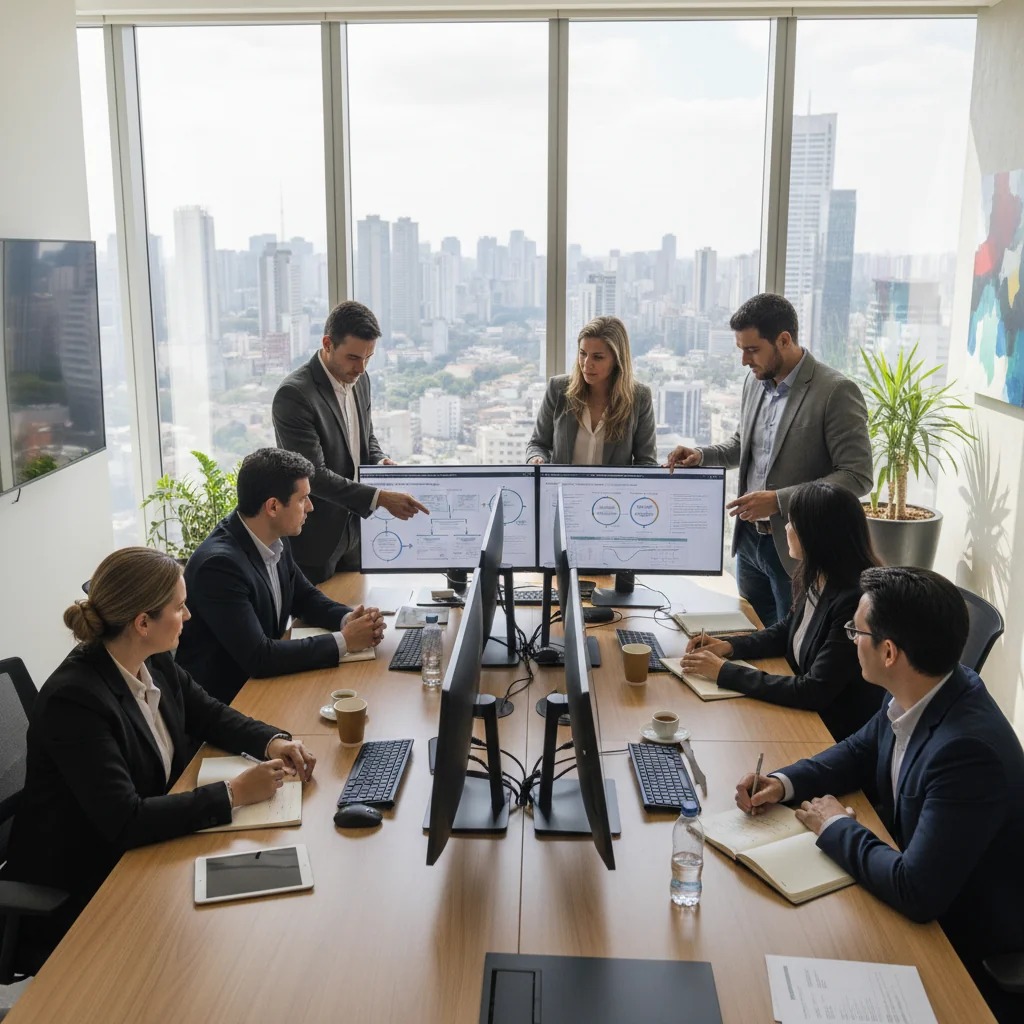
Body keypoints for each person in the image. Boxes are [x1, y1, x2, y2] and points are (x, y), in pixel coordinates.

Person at [2, 547, 317, 973]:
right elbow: (125, 820)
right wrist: (233, 793)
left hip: (155, 850)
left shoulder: (154, 661)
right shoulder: (74, 701)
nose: (188, 616)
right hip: (89, 885)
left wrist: (273, 741)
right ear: (142, 623)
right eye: (180, 607)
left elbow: (210, 713)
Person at [734, 567, 1024, 1024]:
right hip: (906, 880)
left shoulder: (968, 753)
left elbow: (917, 890)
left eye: (856, 631)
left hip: (958, 944)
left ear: (888, 652)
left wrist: (835, 825)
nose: (851, 639)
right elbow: (858, 750)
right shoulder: (929, 687)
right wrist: (783, 781)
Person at [665, 293, 872, 628]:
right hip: (749, 545)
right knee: (753, 638)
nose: (745, 360)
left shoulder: (835, 391)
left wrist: (778, 501)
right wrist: (701, 455)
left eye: (752, 349)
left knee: (790, 652)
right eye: (741, 350)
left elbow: (857, 476)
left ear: (784, 340)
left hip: (796, 549)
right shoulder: (755, 381)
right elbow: (742, 445)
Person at [176, 447, 385, 705]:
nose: (310, 507)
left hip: (267, 686)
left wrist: (347, 619)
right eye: (303, 499)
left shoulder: (272, 538)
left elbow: (305, 597)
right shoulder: (219, 566)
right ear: (273, 506)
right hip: (231, 703)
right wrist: (345, 641)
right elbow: (259, 657)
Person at [680, 481, 883, 741]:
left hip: (828, 731)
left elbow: (814, 691)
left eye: (792, 523)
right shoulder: (818, 574)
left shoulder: (854, 603)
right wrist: (729, 647)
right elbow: (787, 629)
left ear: (816, 535)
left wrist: (723, 671)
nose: (786, 528)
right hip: (805, 714)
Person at [272, 300, 429, 583]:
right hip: (316, 538)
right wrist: (380, 498)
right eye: (354, 357)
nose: (361, 367)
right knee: (312, 621)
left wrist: (379, 460)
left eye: (369, 357)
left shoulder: (361, 379)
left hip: (356, 531)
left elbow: (365, 436)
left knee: (356, 609)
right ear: (328, 344)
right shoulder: (294, 395)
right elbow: (313, 476)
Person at [526, 316, 657, 466]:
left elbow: (646, 462)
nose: (587, 364)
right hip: (561, 488)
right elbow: (538, 444)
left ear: (617, 360)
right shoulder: (557, 388)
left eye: (598, 357)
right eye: (583, 354)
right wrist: (536, 459)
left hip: (613, 489)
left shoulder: (640, 398)